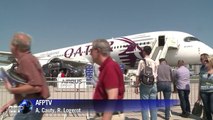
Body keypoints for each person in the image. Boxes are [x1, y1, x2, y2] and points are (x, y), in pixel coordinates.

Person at [0, 32, 50, 120]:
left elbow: (36, 87)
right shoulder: (28, 59)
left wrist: (12, 89)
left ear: (15, 47)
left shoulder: (26, 60)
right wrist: (8, 104)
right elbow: (27, 91)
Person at [90, 39, 125, 120]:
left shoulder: (110, 67)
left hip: (109, 116)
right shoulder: (106, 67)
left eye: (91, 50)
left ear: (97, 51)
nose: (90, 53)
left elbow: (112, 98)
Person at [135, 46, 158, 120]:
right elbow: (155, 74)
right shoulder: (154, 62)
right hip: (153, 84)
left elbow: (138, 75)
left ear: (144, 52)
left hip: (144, 85)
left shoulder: (142, 61)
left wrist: (136, 86)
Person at [199, 56, 213, 120]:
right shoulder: (202, 69)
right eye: (205, 61)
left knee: (212, 108)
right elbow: (200, 82)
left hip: (212, 92)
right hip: (203, 92)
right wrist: (199, 94)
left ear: (211, 62)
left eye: (207, 61)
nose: (205, 62)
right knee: (207, 110)